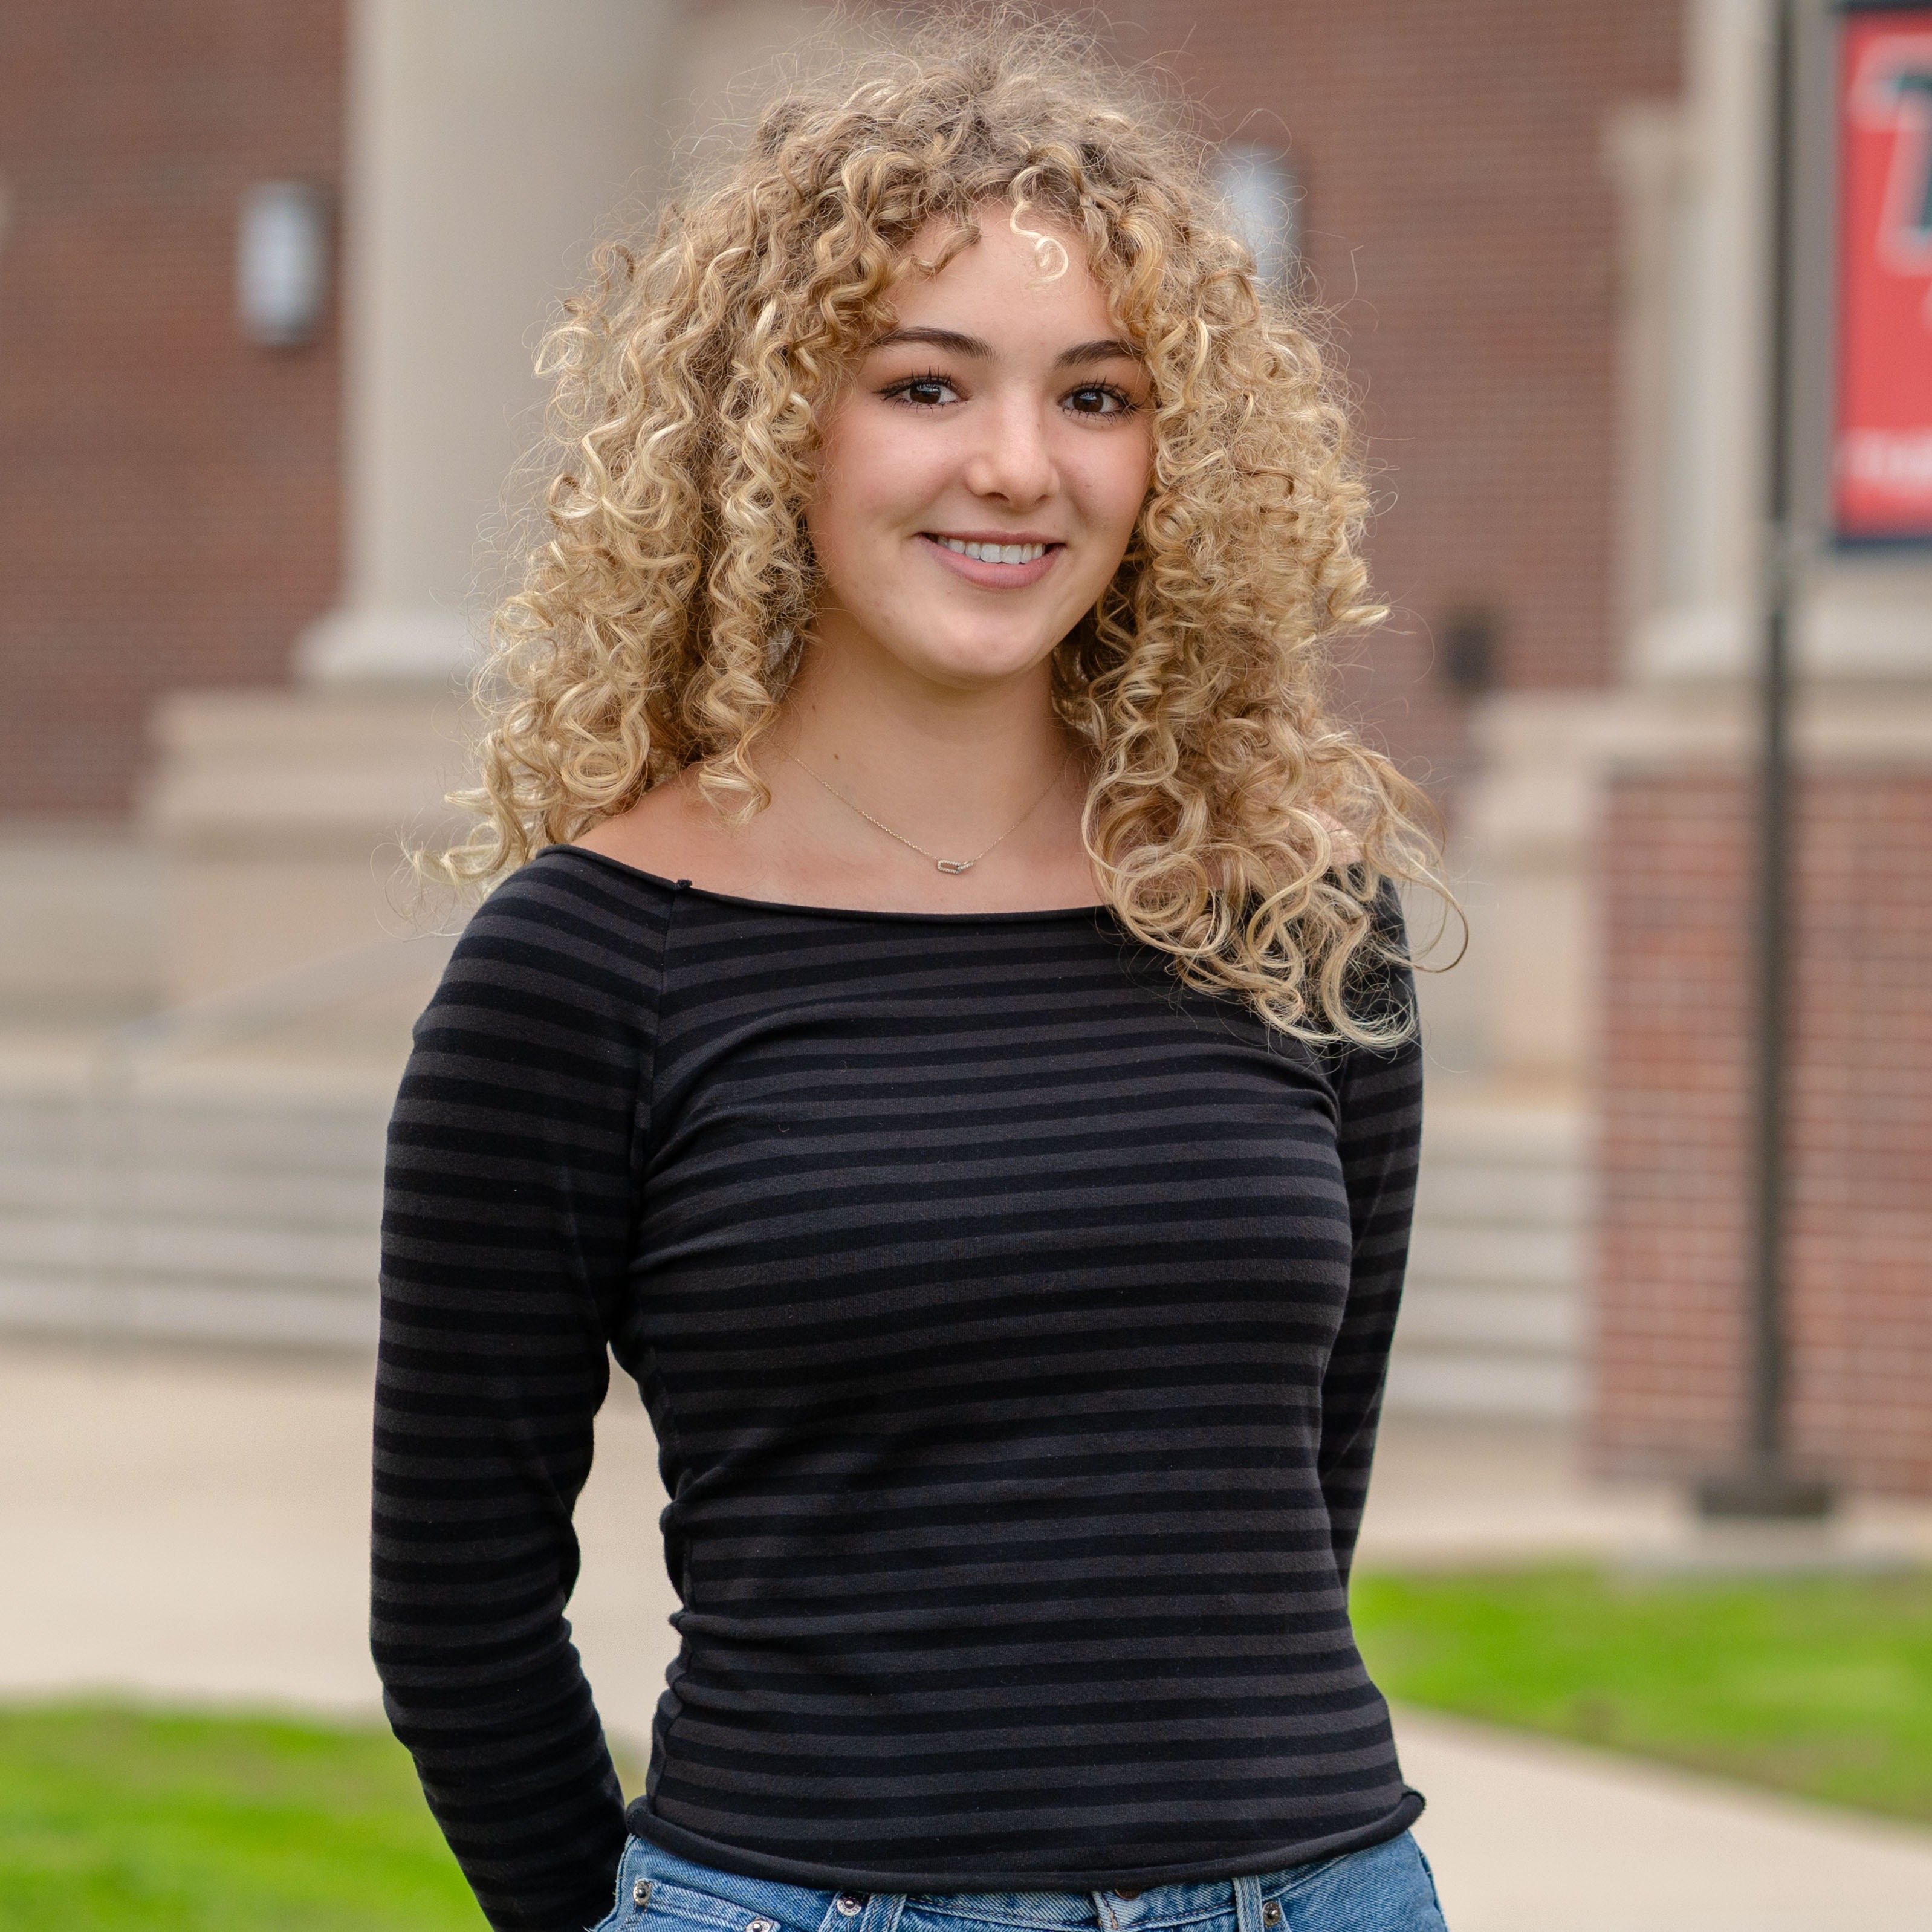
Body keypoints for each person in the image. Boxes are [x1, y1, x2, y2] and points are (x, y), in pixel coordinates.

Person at [372, 17, 1452, 1932]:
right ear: (778, 420)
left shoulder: (1294, 921)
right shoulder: (585, 966)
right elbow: (457, 1608)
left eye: (1099, 398)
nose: (1018, 468)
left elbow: (1293, 1507)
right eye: (927, 384)